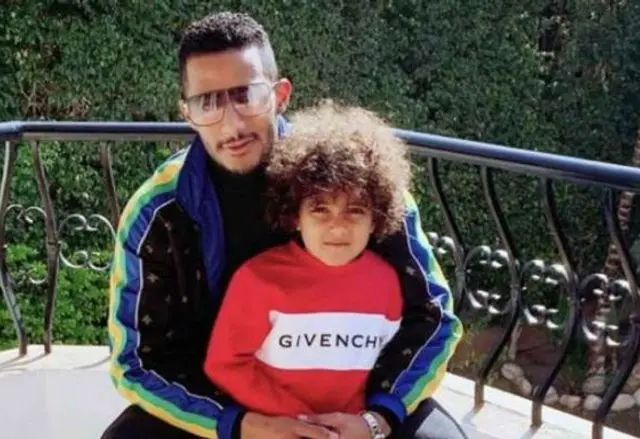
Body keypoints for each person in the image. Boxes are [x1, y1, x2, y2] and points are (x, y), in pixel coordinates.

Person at [104, 10, 465, 439]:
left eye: (246, 95)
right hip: (220, 400)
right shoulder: (158, 213)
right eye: (208, 102)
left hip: (360, 400)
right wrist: (239, 424)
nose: (232, 123)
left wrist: (378, 417)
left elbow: (433, 317)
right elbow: (136, 361)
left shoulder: (359, 181)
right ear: (188, 112)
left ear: (280, 95)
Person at [203, 102, 411, 438]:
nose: (338, 227)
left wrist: (368, 423)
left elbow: (388, 362)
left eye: (355, 210)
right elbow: (226, 364)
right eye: (320, 209)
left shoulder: (387, 282)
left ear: (376, 219)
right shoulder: (258, 279)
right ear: (295, 215)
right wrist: (302, 422)